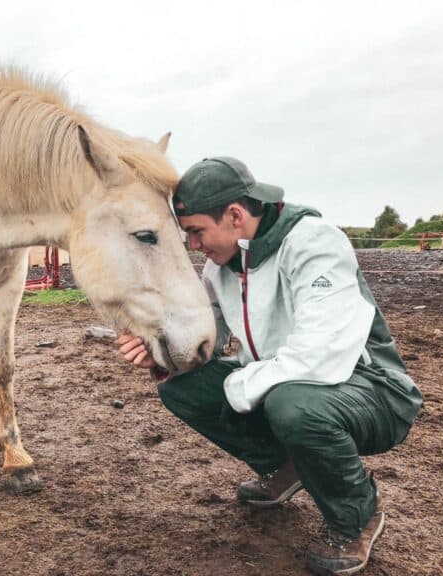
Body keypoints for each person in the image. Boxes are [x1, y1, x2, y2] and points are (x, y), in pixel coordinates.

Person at [117, 157, 422, 576]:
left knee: (291, 405)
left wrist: (239, 387)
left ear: (236, 217)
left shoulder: (315, 243)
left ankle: (357, 515)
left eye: (196, 232)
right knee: (182, 387)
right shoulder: (219, 268)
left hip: (374, 391)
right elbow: (203, 338)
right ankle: (287, 467)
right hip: (285, 387)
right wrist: (163, 353)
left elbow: (321, 355)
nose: (193, 245)